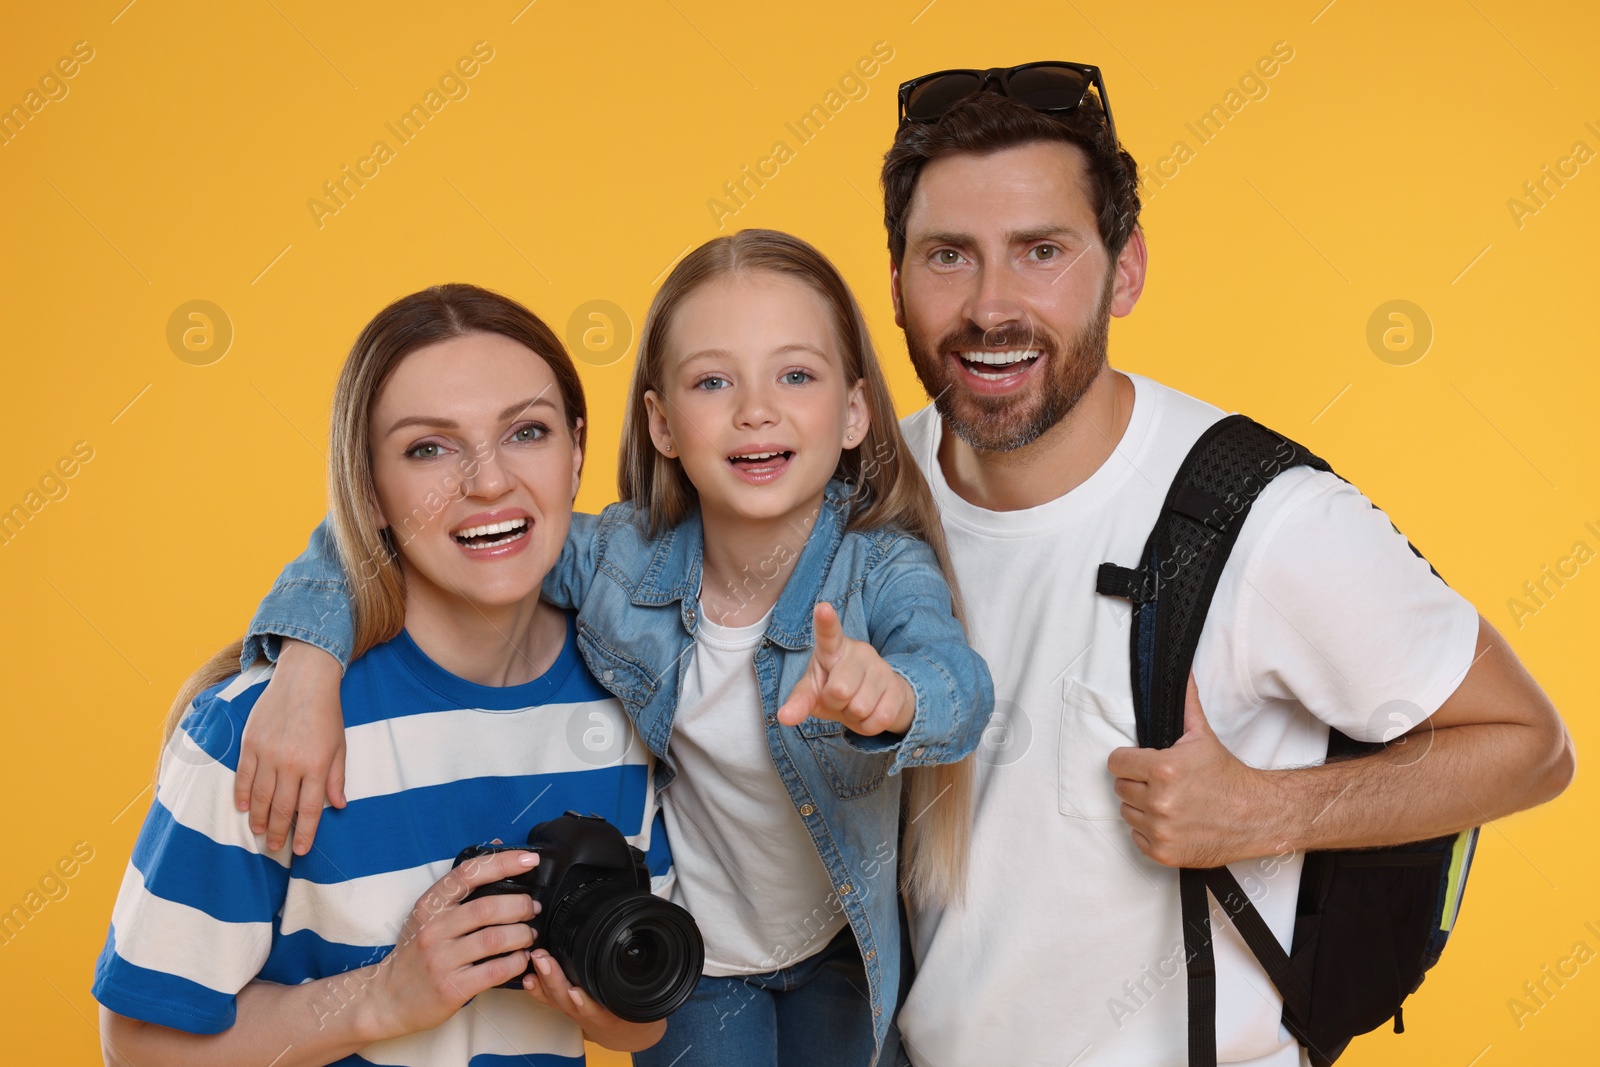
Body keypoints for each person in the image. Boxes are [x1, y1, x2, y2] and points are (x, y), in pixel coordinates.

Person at [224, 230, 994, 1066]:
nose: (756, 410)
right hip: (690, 962)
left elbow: (957, 684)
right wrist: (307, 662)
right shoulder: (620, 562)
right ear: (662, 423)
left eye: (795, 375)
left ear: (854, 412)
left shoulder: (881, 566)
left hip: (845, 952)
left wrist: (895, 699)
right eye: (712, 381)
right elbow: (404, 531)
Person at [92, 284, 669, 1065]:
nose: (488, 482)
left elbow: (644, 1019)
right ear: (369, 490)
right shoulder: (263, 732)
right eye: (428, 448)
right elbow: (138, 1045)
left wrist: (605, 998)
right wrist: (380, 998)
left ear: (574, 452)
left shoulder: (628, 696)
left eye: (526, 432)